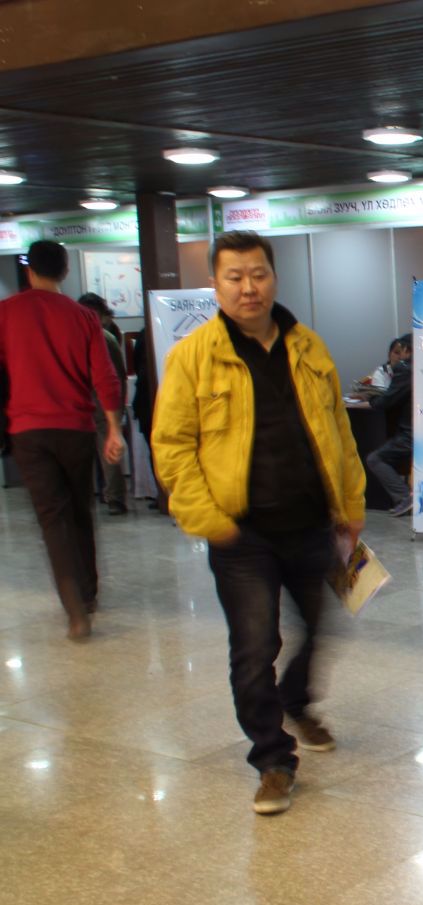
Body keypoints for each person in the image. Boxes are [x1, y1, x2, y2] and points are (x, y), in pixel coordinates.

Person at [153, 230, 366, 815]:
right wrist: (207, 518)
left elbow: (339, 431)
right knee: (254, 648)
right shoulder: (193, 357)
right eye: (234, 277)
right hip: (241, 533)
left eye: (258, 274)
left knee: (320, 626)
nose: (248, 287)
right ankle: (273, 760)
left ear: (273, 277)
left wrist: (350, 506)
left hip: (310, 524)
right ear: (216, 285)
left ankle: (295, 699)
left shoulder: (308, 347)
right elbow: (172, 446)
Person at [0, 240, 125, 639]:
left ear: (28, 270)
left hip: (27, 430)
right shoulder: (83, 317)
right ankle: (88, 594)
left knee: (53, 518)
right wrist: (114, 428)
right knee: (80, 511)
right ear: (66, 271)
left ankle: (74, 609)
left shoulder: (5, 313)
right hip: (76, 429)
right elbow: (104, 376)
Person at [78, 292, 129, 515]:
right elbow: (119, 376)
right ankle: (113, 497)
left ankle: (111, 496)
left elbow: (113, 376)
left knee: (102, 451)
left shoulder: (99, 337)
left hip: (95, 402)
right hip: (102, 402)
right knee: (107, 450)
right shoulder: (106, 336)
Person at [365, 333, 414, 517]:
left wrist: (372, 398)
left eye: (401, 351)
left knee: (375, 459)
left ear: (407, 350)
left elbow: (387, 401)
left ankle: (405, 497)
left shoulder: (405, 369)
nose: (399, 356)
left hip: (411, 434)